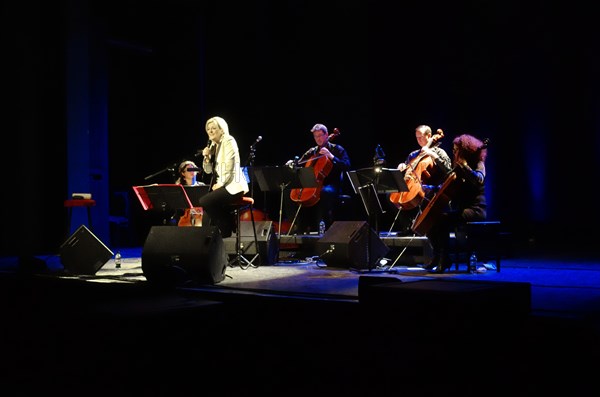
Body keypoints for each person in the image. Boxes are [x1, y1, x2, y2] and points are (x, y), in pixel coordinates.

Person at [421, 133, 488, 273]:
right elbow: (449, 183)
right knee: (432, 221)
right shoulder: (458, 168)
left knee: (443, 220)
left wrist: (465, 167)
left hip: (476, 210)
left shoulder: (478, 164)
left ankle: (444, 259)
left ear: (464, 150)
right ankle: (438, 256)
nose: (454, 152)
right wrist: (431, 188)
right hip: (463, 210)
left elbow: (479, 179)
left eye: (456, 149)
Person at [285, 123, 351, 234]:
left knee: (325, 192)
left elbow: (347, 165)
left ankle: (327, 227)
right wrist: (292, 163)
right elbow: (300, 163)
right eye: (316, 136)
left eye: (320, 135)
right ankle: (298, 225)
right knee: (288, 193)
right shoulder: (312, 151)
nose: (318, 139)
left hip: (331, 184)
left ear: (326, 135)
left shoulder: (337, 149)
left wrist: (331, 156)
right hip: (312, 183)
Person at [390, 125, 451, 235]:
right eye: (417, 138)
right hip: (414, 184)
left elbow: (448, 171)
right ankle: (408, 227)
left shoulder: (440, 152)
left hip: (433, 187)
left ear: (429, 136)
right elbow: (408, 169)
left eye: (421, 137)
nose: (419, 140)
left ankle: (423, 228)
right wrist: (402, 168)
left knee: (423, 194)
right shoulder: (414, 154)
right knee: (393, 196)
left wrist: (432, 155)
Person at [197, 116, 249, 238]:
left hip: (234, 186)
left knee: (204, 201)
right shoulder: (216, 145)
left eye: (214, 128)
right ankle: (210, 243)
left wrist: (220, 184)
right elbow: (208, 171)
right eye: (208, 129)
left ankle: (227, 226)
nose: (210, 131)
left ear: (222, 130)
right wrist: (207, 158)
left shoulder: (229, 141)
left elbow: (229, 166)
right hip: (225, 185)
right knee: (206, 211)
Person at [174, 160, 205, 226]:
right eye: (189, 170)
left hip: (199, 215)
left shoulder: (202, 186)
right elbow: (177, 206)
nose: (192, 171)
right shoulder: (180, 187)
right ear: (183, 173)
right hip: (185, 215)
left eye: (193, 169)